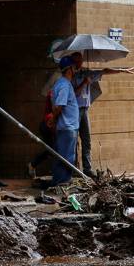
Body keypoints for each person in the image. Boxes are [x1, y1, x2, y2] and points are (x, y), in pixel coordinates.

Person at [71, 52, 134, 177]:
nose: (79, 63)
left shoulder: (87, 73)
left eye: (81, 60)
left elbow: (104, 71)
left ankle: (87, 169)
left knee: (86, 140)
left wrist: (122, 70)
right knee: (73, 141)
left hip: (84, 110)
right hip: (74, 110)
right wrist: (84, 83)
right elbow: (74, 94)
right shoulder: (71, 76)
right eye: (76, 61)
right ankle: (73, 168)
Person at [51, 56, 81, 186]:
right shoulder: (64, 85)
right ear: (69, 69)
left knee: (63, 157)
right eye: (74, 67)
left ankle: (61, 183)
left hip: (67, 127)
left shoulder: (63, 83)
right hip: (67, 127)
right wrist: (53, 118)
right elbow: (59, 105)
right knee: (66, 159)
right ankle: (62, 184)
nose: (76, 69)